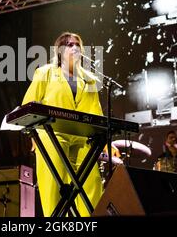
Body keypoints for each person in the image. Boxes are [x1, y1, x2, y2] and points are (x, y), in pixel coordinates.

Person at [22, 32, 118, 217]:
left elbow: (96, 113)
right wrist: (34, 135)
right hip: (53, 133)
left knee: (91, 182)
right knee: (55, 183)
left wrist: (107, 140)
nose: (74, 47)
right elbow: (29, 105)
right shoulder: (45, 72)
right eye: (69, 44)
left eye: (77, 44)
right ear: (59, 50)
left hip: (83, 137)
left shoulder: (90, 79)